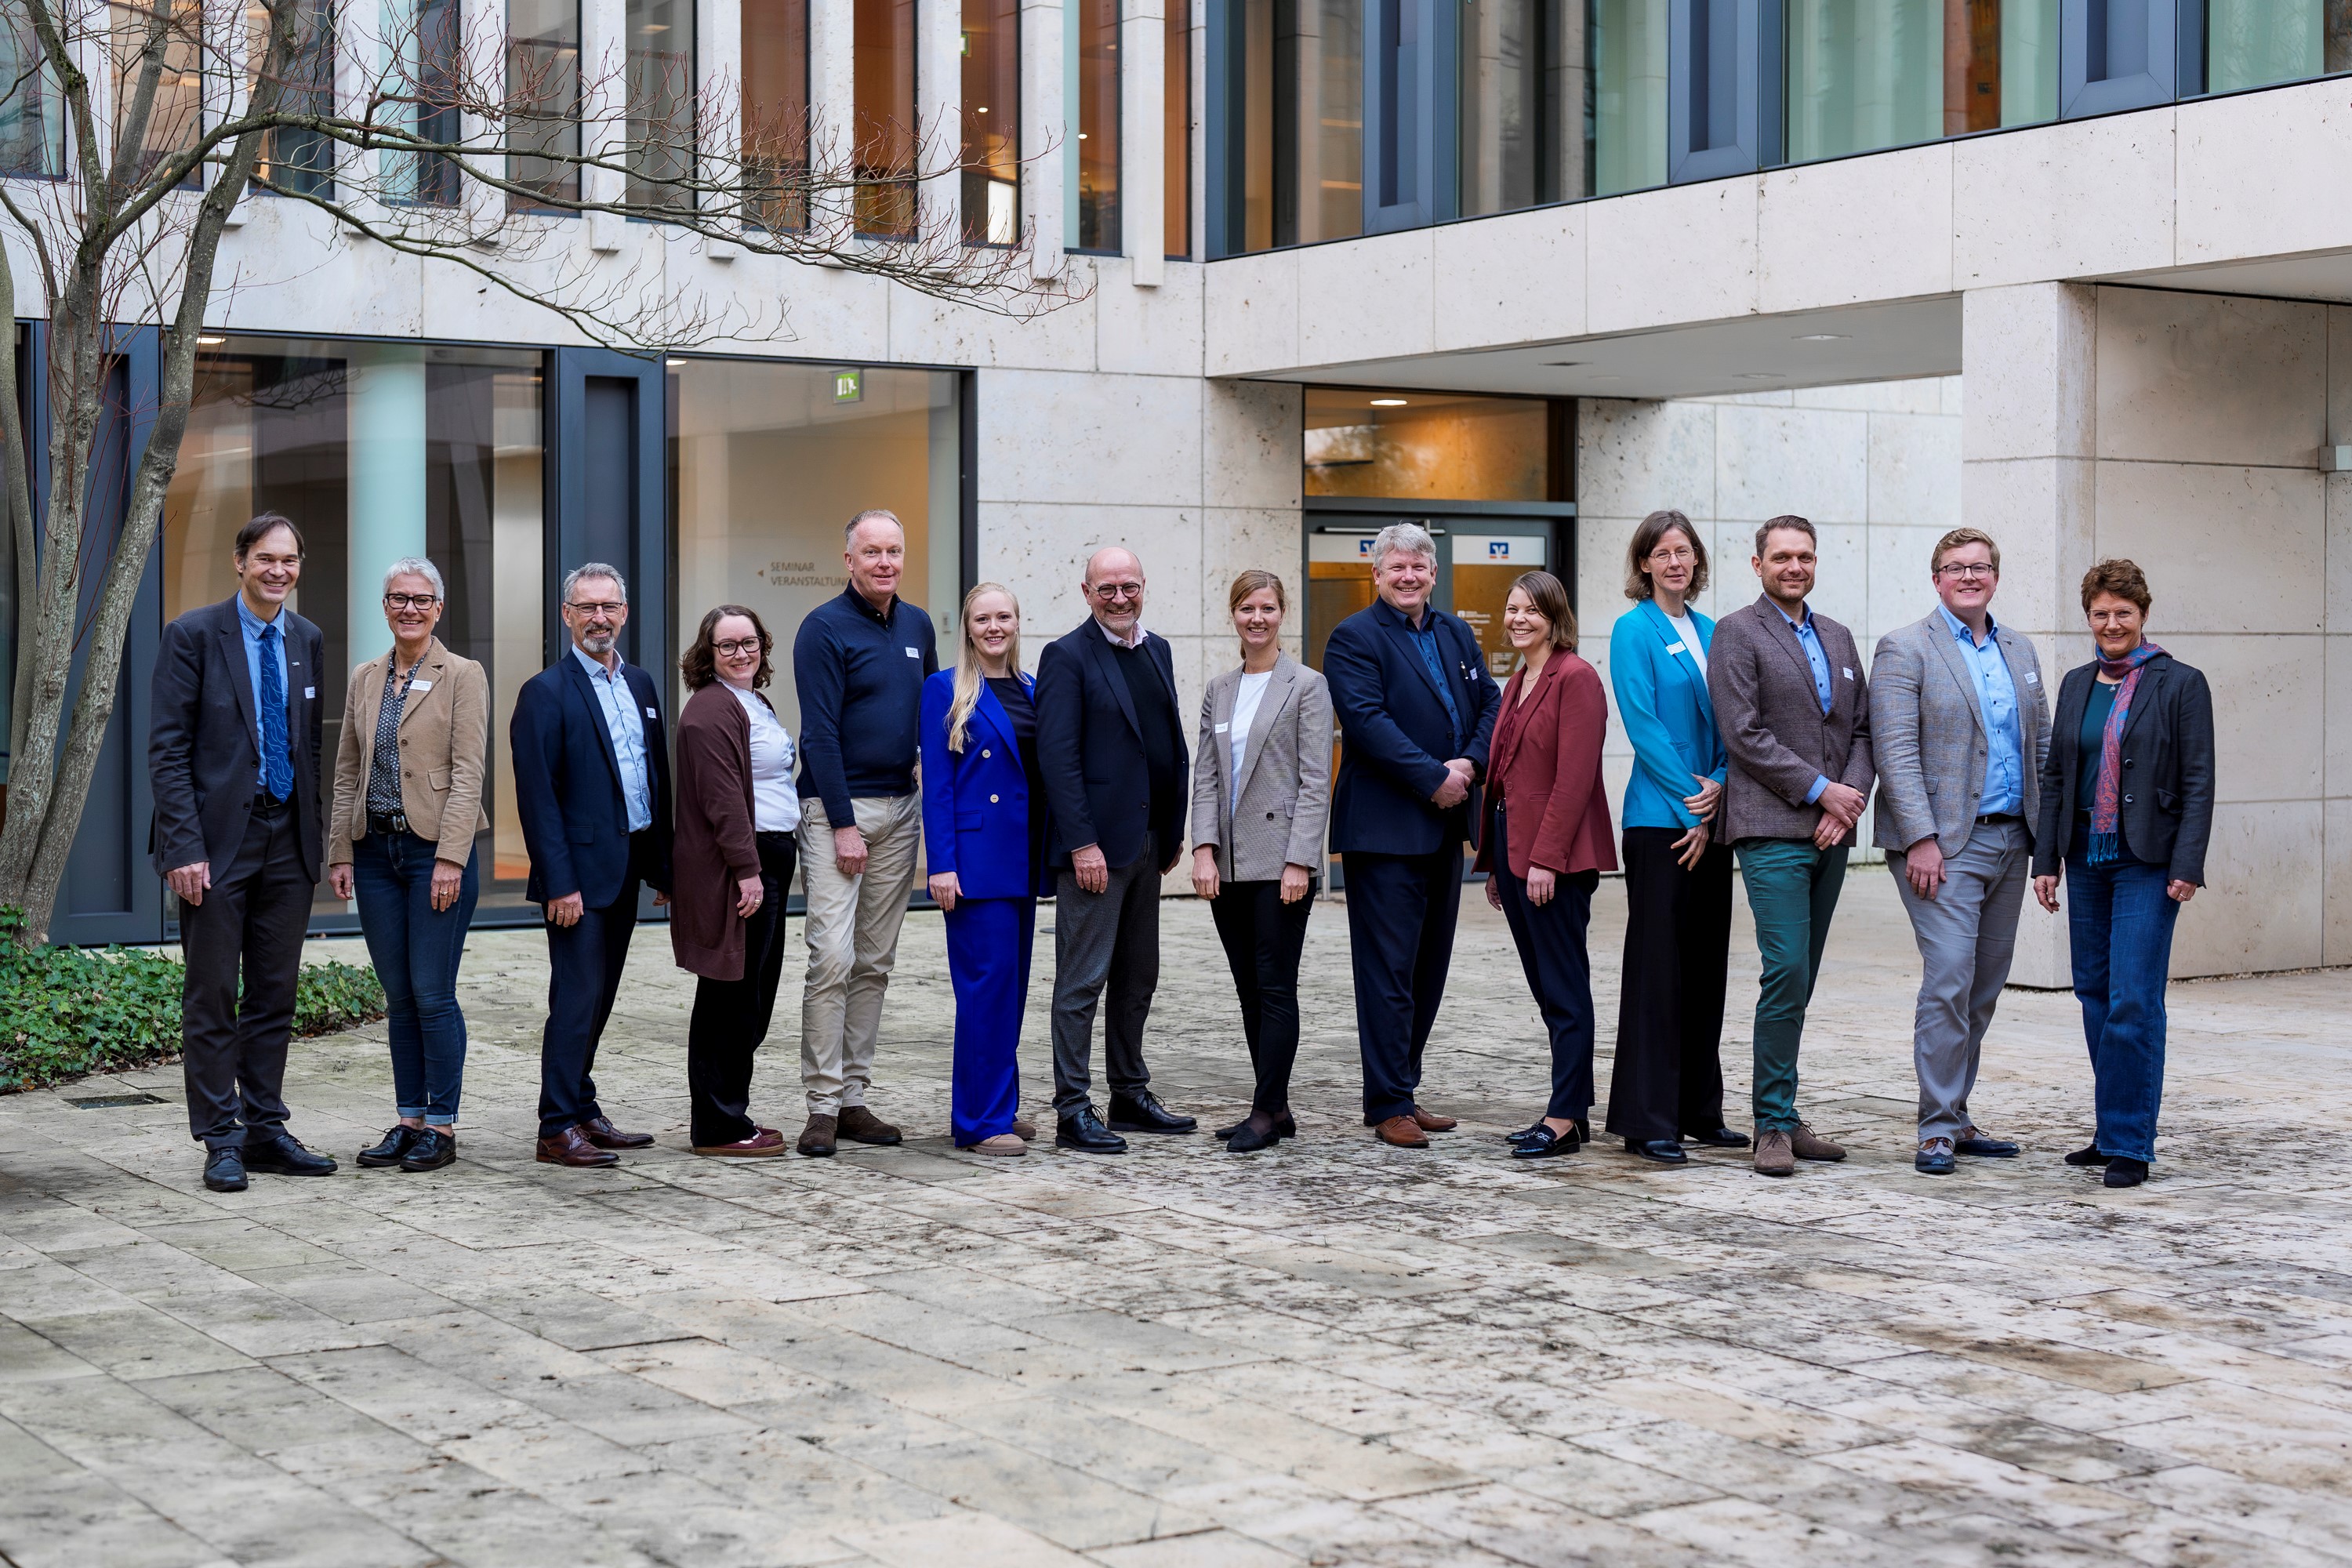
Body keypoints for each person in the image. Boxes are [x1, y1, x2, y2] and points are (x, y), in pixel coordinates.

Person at [149, 513, 338, 1193]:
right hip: (214, 844)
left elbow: (308, 747)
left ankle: (264, 1129)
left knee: (274, 993)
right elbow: (167, 751)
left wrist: (317, 840)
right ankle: (220, 1137)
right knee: (210, 996)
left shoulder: (307, 638)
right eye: (266, 558)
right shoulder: (193, 635)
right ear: (240, 561)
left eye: (289, 560)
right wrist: (184, 846)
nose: (279, 571)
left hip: (287, 839)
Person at [1871, 528, 2049, 1176]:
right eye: (1955, 568)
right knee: (1949, 976)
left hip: (2011, 838)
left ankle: (1958, 1112)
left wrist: (2047, 846)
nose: (1969, 577)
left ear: (1995, 577)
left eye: (1980, 567)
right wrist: (1919, 837)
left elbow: (2042, 748)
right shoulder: (1905, 648)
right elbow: (1893, 749)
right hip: (1943, 845)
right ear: (1937, 578)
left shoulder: (2019, 649)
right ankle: (1937, 1128)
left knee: (1982, 985)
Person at [2032, 560, 2214, 1190]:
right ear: (2089, 618)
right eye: (2101, 614)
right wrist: (2046, 860)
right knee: (2095, 995)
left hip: (2148, 862)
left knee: (2135, 1000)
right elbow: (2056, 776)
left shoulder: (2181, 684)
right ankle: (2110, 1130)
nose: (2112, 623)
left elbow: (2198, 781)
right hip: (2083, 858)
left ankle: (2132, 1144)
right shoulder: (2077, 683)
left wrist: (2188, 863)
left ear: (2143, 616)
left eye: (2123, 613)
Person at [1322, 522, 1502, 1148]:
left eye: (1418, 569)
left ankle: (1406, 1086)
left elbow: (1490, 704)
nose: (1407, 578)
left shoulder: (1455, 632)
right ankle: (1387, 1101)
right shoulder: (1353, 638)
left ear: (1432, 573)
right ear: (1376, 575)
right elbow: (1366, 723)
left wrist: (1471, 766)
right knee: (1387, 972)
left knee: (1429, 969)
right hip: (1385, 830)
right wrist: (1433, 777)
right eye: (1395, 568)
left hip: (1444, 827)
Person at [1707, 515, 1874, 1178]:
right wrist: (1818, 792)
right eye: (1781, 557)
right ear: (1757, 565)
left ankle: (1786, 1109)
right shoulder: (1736, 633)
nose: (1794, 567)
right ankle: (1771, 1124)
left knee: (1801, 975)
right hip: (1771, 827)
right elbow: (1743, 734)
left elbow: (1863, 729)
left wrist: (1847, 797)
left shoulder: (1836, 635)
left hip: (1831, 826)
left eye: (1804, 556)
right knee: (1786, 971)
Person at [327, 557, 489, 1175]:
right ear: (386, 605)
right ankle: (409, 1121)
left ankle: (442, 1127)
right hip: (375, 853)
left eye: (422, 599)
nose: (410, 608)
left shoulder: (463, 675)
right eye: (399, 598)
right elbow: (346, 769)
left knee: (431, 993)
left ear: (439, 608)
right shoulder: (366, 677)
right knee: (398, 997)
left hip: (433, 855)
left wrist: (451, 856)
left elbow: (470, 770)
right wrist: (341, 850)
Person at [1034, 546, 1198, 1152]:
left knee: (1138, 978)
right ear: (1086, 592)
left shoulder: (1157, 650)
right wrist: (1082, 843)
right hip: (1096, 850)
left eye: (1130, 586)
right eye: (1108, 589)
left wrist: (1173, 831)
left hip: (1150, 843)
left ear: (1144, 586)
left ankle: (1129, 1094)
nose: (1120, 598)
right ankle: (1073, 1108)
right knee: (1082, 982)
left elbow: (1169, 745)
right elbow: (1058, 758)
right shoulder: (1066, 656)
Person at [510, 562, 673, 1168]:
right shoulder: (544, 693)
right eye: (587, 608)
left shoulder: (643, 686)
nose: (599, 618)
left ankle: (581, 1105)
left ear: (624, 615)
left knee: (600, 996)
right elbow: (538, 799)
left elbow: (653, 780)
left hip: (627, 867)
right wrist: (559, 882)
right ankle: (555, 1127)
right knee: (576, 997)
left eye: (609, 607)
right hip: (576, 879)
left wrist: (664, 870)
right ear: (567, 616)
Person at [790, 510, 937, 1156]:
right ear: (848, 560)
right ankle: (820, 1106)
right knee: (832, 959)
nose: (885, 563)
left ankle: (853, 1099)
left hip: (901, 811)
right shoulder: (822, 628)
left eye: (894, 552)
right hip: (835, 814)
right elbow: (819, 732)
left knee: (875, 962)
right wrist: (844, 825)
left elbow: (934, 712)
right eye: (872, 552)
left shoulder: (918, 625)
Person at [1605, 510, 1741, 1166]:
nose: (1675, 562)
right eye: (1662, 552)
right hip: (1661, 822)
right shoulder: (1633, 632)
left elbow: (1733, 728)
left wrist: (1719, 787)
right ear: (1644, 564)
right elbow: (1644, 726)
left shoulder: (1716, 632)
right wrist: (1694, 811)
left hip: (1711, 820)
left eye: (1684, 550)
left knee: (1706, 968)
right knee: (1657, 972)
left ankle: (1698, 1109)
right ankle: (1646, 1118)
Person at [1189, 570, 1333, 1153]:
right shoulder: (1219, 690)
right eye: (1247, 608)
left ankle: (1264, 1113)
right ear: (1234, 615)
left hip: (1280, 864)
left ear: (1282, 614)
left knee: (1275, 987)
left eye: (1268, 608)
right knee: (1249, 987)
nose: (1257, 618)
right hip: (1227, 865)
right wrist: (1202, 850)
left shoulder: (1307, 686)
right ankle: (1276, 1104)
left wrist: (1301, 860)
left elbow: (1315, 780)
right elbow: (1204, 776)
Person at [1476, 571, 1616, 1161]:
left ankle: (1563, 1117)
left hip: (1551, 858)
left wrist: (1544, 860)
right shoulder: (1520, 677)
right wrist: (1495, 861)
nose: (1518, 619)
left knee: (1563, 988)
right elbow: (1505, 773)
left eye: (1531, 610)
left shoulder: (1575, 677)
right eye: (1511, 610)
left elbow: (1573, 779)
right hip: (1515, 850)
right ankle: (1572, 1110)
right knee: (1546, 987)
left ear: (1555, 616)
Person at [922, 584, 1052, 1155]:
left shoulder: (1033, 688)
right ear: (968, 627)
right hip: (976, 865)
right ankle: (978, 1122)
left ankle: (1000, 1104)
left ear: (1018, 623)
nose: (994, 627)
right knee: (984, 991)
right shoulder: (943, 689)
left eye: (1004, 617)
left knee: (1011, 990)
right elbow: (938, 786)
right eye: (983, 618)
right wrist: (942, 865)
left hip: (1022, 860)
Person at [671, 606, 799, 1157]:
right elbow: (722, 801)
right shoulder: (709, 710)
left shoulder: (754, 703)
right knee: (729, 997)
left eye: (749, 642)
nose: (741, 653)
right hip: (742, 866)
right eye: (727, 646)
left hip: (770, 856)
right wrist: (748, 872)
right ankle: (719, 1126)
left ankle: (731, 1113)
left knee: (752, 995)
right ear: (708, 654)